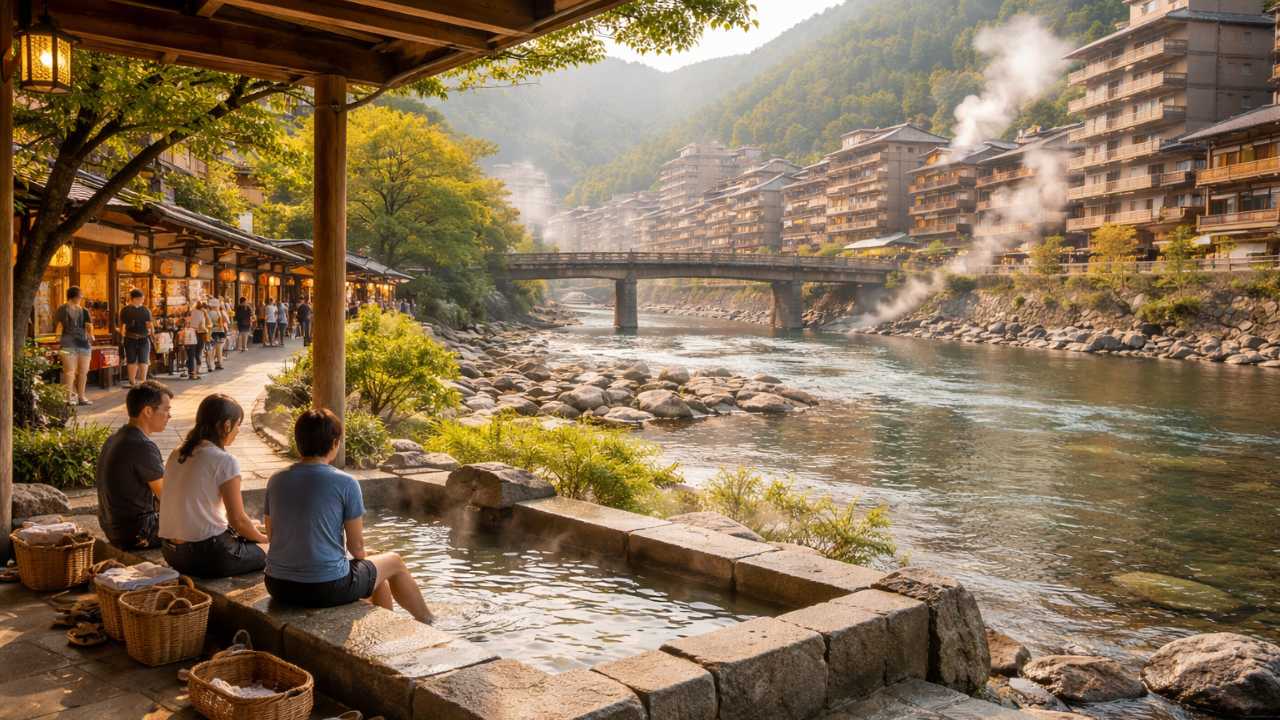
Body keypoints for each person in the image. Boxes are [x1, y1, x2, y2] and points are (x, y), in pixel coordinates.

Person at [263, 409, 431, 622]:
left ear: (298, 442)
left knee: (378, 577)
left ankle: (386, 627)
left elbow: (271, 535)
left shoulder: (276, 480)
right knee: (393, 562)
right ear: (335, 443)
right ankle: (428, 620)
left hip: (277, 584)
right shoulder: (345, 483)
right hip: (323, 587)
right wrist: (362, 555)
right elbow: (357, 548)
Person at [159, 394, 268, 578]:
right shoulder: (224, 460)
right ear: (226, 425)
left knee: (254, 526)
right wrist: (264, 540)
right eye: (238, 424)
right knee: (272, 548)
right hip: (208, 556)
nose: (238, 430)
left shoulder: (177, 453)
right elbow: (238, 520)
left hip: (172, 553)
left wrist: (252, 529)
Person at [97, 381, 173, 550]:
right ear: (147, 411)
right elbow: (168, 497)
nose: (169, 416)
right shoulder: (142, 445)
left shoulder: (116, 438)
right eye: (166, 410)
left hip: (113, 528)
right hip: (137, 532)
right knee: (201, 519)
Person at [53, 286, 94, 406]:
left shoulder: (84, 311)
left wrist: (91, 335)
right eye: (80, 296)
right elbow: (59, 325)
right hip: (66, 344)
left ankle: (81, 397)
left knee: (83, 371)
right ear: (75, 297)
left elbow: (89, 325)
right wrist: (57, 337)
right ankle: (68, 398)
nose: (81, 299)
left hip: (84, 344)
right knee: (69, 371)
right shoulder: (62, 309)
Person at [119, 288, 153, 387]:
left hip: (130, 337)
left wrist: (122, 335)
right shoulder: (145, 310)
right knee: (143, 359)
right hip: (143, 337)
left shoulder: (124, 310)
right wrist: (151, 332)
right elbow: (149, 325)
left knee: (132, 360)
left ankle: (133, 381)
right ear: (135, 299)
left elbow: (122, 326)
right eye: (142, 299)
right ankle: (142, 381)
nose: (143, 300)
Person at [184, 304, 207, 380]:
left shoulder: (191, 312)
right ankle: (194, 373)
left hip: (188, 335)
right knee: (196, 354)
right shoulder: (200, 314)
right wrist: (206, 330)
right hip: (198, 335)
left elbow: (186, 323)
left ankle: (191, 372)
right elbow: (201, 327)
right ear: (203, 308)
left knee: (191, 354)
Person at [207, 297, 228, 370]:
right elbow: (227, 321)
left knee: (211, 350)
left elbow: (208, 324)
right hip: (221, 332)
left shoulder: (208, 313)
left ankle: (211, 366)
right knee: (219, 350)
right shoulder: (220, 312)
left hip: (212, 332)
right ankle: (219, 363)